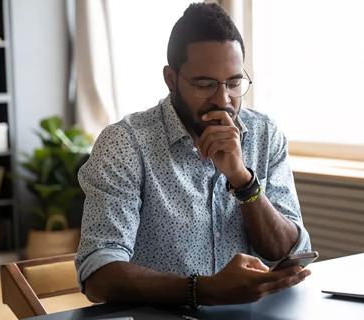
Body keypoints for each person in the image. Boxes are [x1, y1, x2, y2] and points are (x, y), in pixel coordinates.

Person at [75, 2, 311, 309]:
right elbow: (98, 274)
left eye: (234, 83)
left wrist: (243, 180)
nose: (223, 100)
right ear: (171, 79)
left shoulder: (265, 135)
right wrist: (203, 290)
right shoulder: (125, 143)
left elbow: (288, 253)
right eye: (205, 84)